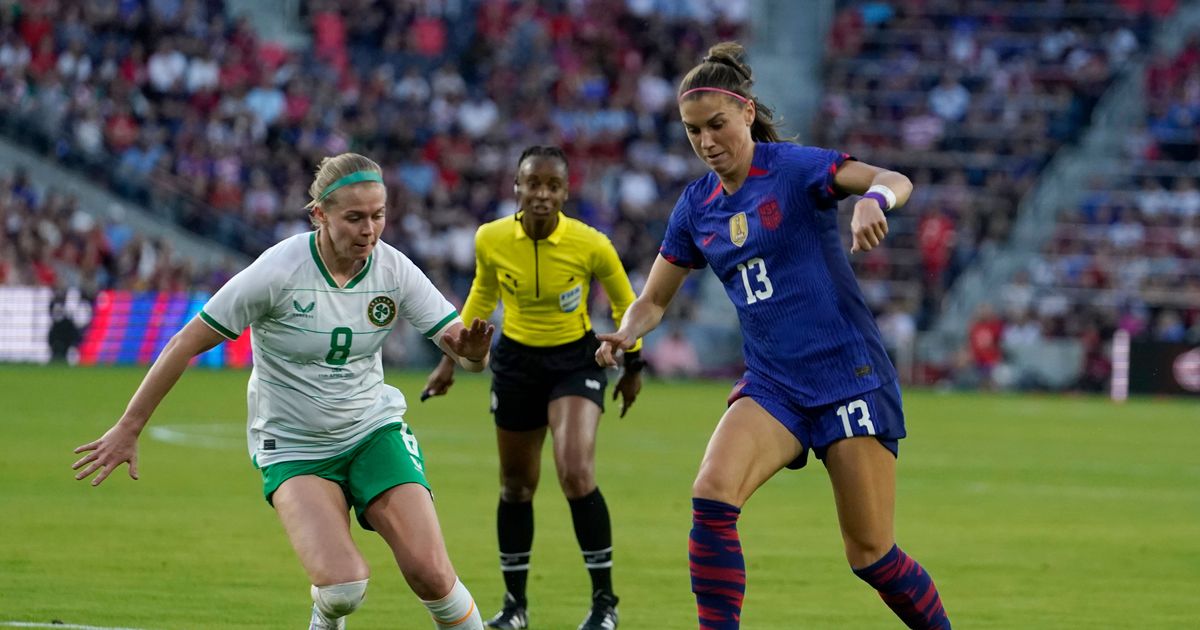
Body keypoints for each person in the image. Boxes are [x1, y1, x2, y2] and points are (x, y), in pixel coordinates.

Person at [596, 42, 952, 630]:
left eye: (716, 125)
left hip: (848, 378)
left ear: (746, 113)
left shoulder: (793, 168)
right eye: (693, 132)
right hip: (775, 385)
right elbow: (654, 300)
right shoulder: (696, 205)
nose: (707, 142)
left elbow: (893, 177)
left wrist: (872, 201)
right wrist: (626, 333)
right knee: (712, 496)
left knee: (871, 555)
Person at [73, 153, 492, 630]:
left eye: (378, 216)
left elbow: (466, 352)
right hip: (294, 445)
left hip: (373, 430)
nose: (369, 230)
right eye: (354, 217)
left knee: (432, 575)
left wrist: (474, 354)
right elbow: (184, 342)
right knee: (343, 588)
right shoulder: (278, 271)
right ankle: (325, 612)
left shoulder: (393, 270)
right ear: (320, 215)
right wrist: (130, 426)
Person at [422, 145, 644, 630]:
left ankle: (605, 604)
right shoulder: (492, 238)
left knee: (575, 473)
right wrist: (450, 361)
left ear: (565, 192)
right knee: (516, 487)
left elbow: (628, 305)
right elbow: (481, 296)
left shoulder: (592, 244)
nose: (542, 193)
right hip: (516, 363)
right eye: (532, 184)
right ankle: (515, 607)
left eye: (552, 185)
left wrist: (633, 365)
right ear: (517, 188)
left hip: (574, 361)